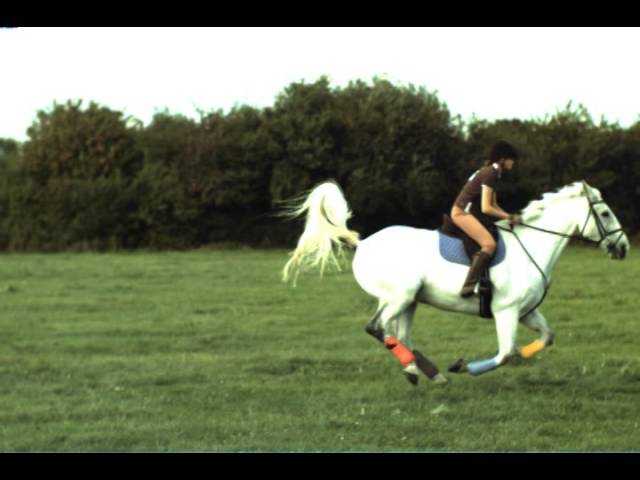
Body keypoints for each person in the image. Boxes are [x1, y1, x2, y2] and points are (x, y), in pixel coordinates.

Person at [451, 140, 522, 297]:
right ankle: (469, 286)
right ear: (502, 159)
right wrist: (510, 216)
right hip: (461, 213)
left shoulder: (494, 173)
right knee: (489, 244)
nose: (513, 162)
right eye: (511, 159)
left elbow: (494, 205)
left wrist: (508, 217)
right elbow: (486, 208)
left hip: (470, 213)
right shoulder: (490, 174)